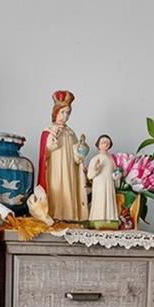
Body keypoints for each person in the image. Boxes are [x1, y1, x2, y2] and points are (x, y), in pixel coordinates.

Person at [36, 90, 86, 222]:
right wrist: (53, 140)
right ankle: (55, 214)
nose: (65, 116)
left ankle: (69, 216)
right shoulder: (49, 131)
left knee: (69, 188)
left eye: (68, 113)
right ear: (56, 112)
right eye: (62, 112)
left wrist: (81, 151)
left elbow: (77, 156)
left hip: (69, 169)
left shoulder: (71, 133)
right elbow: (45, 153)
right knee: (56, 188)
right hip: (55, 168)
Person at [85, 133, 118, 224]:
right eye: (103, 142)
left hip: (109, 184)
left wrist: (117, 176)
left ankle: (110, 220)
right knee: (99, 200)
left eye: (108, 142)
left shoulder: (111, 159)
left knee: (109, 201)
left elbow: (115, 172)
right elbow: (89, 175)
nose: (105, 144)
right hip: (99, 184)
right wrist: (95, 169)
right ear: (98, 144)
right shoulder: (95, 159)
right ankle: (97, 219)